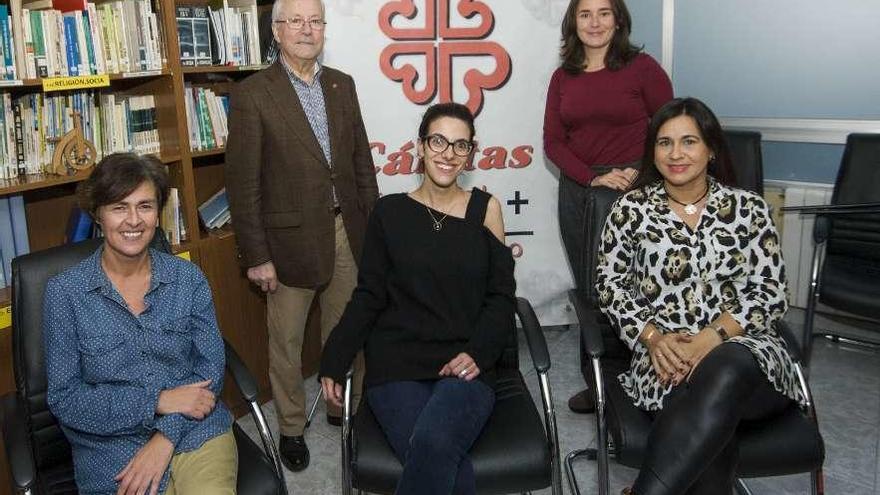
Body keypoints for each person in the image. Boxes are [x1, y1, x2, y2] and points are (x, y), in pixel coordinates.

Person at [596, 98, 805, 494]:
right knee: (712, 434)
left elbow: (771, 291)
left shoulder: (749, 210)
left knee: (723, 368)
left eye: (689, 141)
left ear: (711, 149)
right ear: (652, 152)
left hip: (749, 354)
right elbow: (610, 286)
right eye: (664, 143)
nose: (676, 154)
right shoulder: (631, 211)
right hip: (665, 360)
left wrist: (710, 339)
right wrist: (654, 338)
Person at [319, 102, 515, 495]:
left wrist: (478, 352)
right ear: (420, 147)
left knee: (432, 445)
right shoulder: (389, 212)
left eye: (461, 146)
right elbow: (369, 294)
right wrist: (334, 356)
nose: (448, 153)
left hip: (466, 360)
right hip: (398, 362)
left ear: (471, 154)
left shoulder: (485, 209)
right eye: (439, 141)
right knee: (438, 460)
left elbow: (501, 297)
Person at [224, 0, 379, 471]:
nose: (306, 30)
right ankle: (291, 426)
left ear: (324, 29)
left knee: (346, 329)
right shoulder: (253, 94)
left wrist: (372, 229)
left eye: (315, 21)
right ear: (277, 30)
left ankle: (343, 409)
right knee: (287, 343)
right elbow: (243, 183)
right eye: (295, 21)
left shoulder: (342, 84)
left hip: (346, 229)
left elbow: (360, 165)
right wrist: (256, 255)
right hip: (287, 243)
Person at [44, 153, 236, 495]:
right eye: (119, 207)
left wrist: (165, 436)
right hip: (111, 451)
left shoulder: (187, 278)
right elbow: (66, 399)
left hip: (195, 431)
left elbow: (211, 369)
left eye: (145, 206)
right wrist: (156, 401)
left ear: (158, 212)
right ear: (98, 215)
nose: (134, 220)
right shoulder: (65, 294)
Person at [543, 0, 673, 414]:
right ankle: (596, 381)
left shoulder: (643, 68)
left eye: (603, 12)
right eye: (585, 14)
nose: (594, 22)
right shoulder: (563, 77)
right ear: (573, 22)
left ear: (618, 19)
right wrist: (592, 177)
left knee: (639, 289)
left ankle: (647, 375)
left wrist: (639, 172)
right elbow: (553, 142)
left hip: (636, 189)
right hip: (580, 191)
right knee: (591, 288)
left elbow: (669, 126)